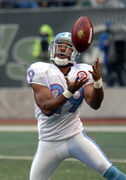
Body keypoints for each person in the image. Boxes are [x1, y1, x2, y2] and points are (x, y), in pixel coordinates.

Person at [27, 32, 126, 180]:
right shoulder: (40, 70)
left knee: (111, 172)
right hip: (48, 142)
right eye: (59, 46)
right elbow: (46, 109)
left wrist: (98, 82)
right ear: (53, 48)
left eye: (67, 48)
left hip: (75, 137)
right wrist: (69, 92)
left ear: (74, 53)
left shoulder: (83, 70)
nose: (62, 50)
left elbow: (94, 103)